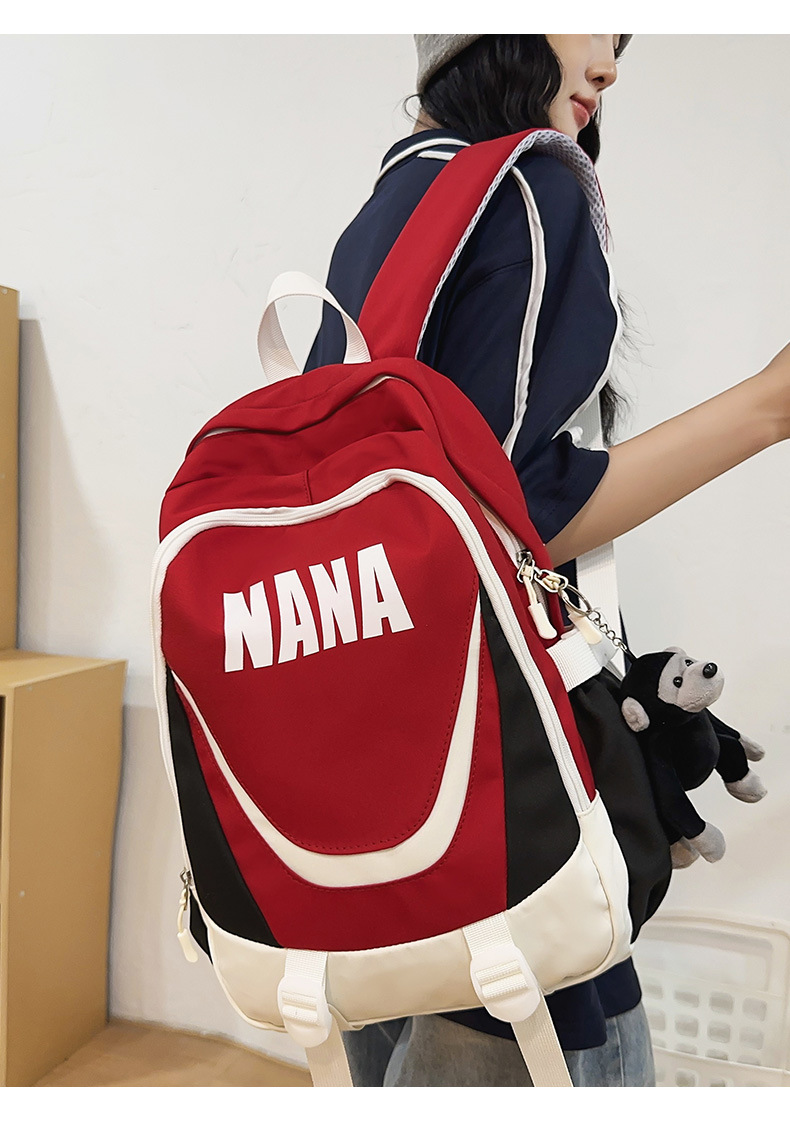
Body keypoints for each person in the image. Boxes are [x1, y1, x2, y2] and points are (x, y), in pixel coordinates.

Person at [305, 34, 790, 1087]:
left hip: (365, 782)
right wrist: (768, 404)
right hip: (495, 795)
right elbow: (503, 515)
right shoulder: (530, 188)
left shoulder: (394, 197)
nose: (609, 64)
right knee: (565, 1036)